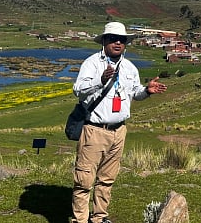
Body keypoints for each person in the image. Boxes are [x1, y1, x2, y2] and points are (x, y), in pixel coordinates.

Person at [71, 22, 167, 223]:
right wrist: (100, 79)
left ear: (126, 43)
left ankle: (99, 217)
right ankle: (80, 219)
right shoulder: (92, 63)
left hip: (119, 131)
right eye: (113, 38)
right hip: (94, 131)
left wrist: (147, 91)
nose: (117, 42)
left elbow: (135, 93)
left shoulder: (130, 67)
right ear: (104, 40)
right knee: (84, 180)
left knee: (107, 179)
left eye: (121, 39)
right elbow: (78, 90)